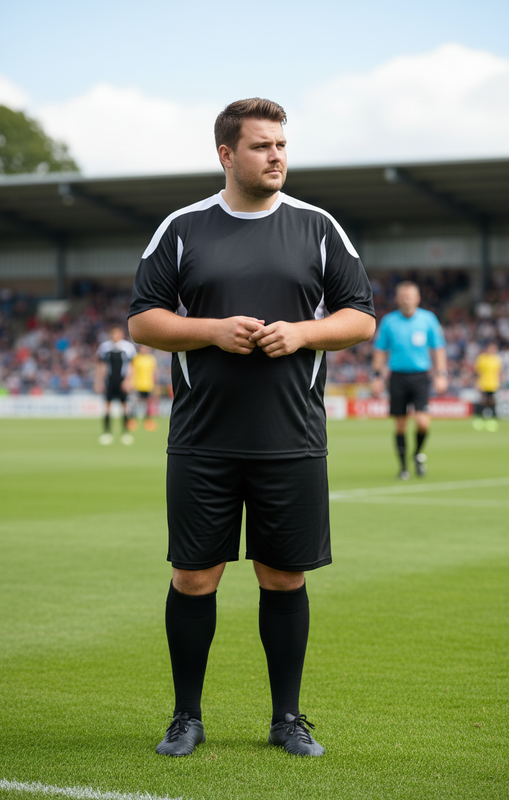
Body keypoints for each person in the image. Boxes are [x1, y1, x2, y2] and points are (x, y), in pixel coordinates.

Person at [128, 98, 375, 758]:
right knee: (193, 578)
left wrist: (302, 333)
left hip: (290, 439)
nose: (276, 156)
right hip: (202, 439)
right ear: (226, 154)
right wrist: (210, 330)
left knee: (283, 577)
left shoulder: (318, 228)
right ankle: (186, 716)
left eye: (282, 145)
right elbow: (142, 321)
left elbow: (359, 317)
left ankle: (287, 718)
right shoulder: (182, 229)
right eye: (262, 145)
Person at [371, 281, 447, 479]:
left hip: (420, 376)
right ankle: (403, 467)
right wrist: (377, 376)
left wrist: (442, 374)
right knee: (400, 424)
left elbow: (438, 348)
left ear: (418, 298)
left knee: (423, 423)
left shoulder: (428, 319)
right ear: (397, 299)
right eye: (403, 296)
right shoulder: (389, 321)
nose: (407, 299)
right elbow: (380, 350)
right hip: (397, 377)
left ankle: (417, 454)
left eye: (410, 296)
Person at [94, 326, 136, 445]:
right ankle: (107, 433)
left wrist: (129, 380)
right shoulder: (104, 347)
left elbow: (132, 366)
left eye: (118, 334)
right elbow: (100, 365)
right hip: (109, 380)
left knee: (125, 407)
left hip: (122, 380)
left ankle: (126, 433)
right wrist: (99, 381)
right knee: (107, 407)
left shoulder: (128, 347)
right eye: (113, 334)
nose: (115, 336)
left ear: (122, 335)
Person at [473, 341, 502, 431]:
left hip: (493, 384)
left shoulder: (497, 359)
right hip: (483, 383)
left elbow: (498, 372)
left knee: (492, 402)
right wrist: (477, 383)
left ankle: (492, 421)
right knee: (483, 401)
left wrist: (499, 382)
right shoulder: (482, 358)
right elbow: (477, 372)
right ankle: (479, 420)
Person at [130, 344, 159, 430]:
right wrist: (131, 383)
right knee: (135, 404)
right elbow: (132, 371)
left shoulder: (151, 359)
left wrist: (155, 385)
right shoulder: (136, 358)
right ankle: (132, 421)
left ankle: (148, 422)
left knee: (148, 404)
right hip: (138, 384)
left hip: (148, 385)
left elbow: (154, 373)